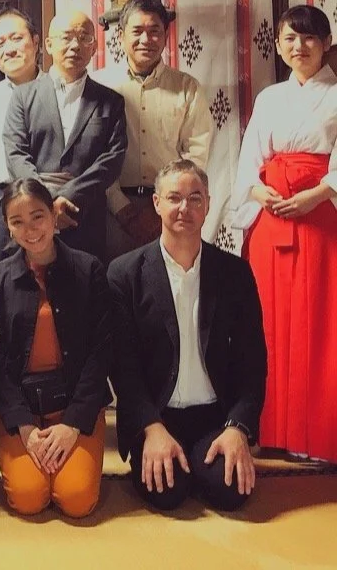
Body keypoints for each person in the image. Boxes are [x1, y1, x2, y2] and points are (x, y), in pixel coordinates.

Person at [110, 160, 265, 511]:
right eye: (175, 198)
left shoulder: (235, 273)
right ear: (156, 203)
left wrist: (238, 428)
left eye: (195, 199)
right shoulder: (124, 274)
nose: (185, 208)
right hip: (158, 416)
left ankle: (204, 459)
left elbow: (253, 363)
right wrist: (150, 427)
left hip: (215, 416)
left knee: (230, 492)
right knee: (167, 494)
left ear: (208, 204)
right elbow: (124, 368)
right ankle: (178, 457)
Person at [231, 4, 337, 462]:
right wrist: (256, 191)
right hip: (272, 220)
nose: (299, 46)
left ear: (327, 43)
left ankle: (318, 435)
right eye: (289, 38)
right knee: (266, 325)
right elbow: (248, 157)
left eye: (309, 37)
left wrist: (315, 195)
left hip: (318, 221)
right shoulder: (270, 98)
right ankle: (267, 428)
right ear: (277, 44)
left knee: (319, 324)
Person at [0, 178, 113, 518]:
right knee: (29, 497)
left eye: (38, 216)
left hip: (75, 403)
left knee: (76, 499)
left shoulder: (89, 270)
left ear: (54, 215)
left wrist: (73, 424)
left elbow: (101, 354)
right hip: (19, 410)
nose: (30, 229)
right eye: (17, 221)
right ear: (7, 227)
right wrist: (25, 427)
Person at [3, 11, 128, 261]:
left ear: (94, 47)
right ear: (48, 44)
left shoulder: (110, 100)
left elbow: (111, 160)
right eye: (67, 37)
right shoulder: (23, 96)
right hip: (32, 218)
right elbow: (15, 153)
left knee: (85, 292)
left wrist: (67, 197)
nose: (75, 45)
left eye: (84, 38)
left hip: (85, 217)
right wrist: (46, 202)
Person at [97, 0, 213, 259]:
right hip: (114, 209)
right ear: (121, 36)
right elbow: (95, 153)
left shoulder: (187, 87)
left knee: (168, 288)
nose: (146, 40)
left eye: (154, 31)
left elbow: (196, 154)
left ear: (165, 35)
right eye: (137, 31)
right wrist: (120, 207)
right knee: (117, 288)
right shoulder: (100, 86)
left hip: (171, 209)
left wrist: (165, 204)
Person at [0, 8, 47, 264]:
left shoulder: (57, 90)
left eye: (16, 38)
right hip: (2, 202)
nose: (8, 49)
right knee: (5, 282)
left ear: (36, 41)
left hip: (49, 198)